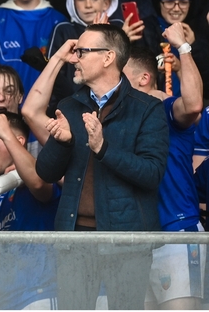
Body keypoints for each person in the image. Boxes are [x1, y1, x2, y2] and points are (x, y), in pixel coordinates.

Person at [35, 23, 169, 309]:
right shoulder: (70, 105)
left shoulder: (147, 108)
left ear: (108, 58)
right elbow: (45, 173)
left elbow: (152, 173)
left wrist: (102, 148)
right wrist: (63, 142)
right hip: (74, 239)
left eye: (83, 51)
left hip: (127, 240)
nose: (75, 58)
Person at [122, 39, 205, 310]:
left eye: (120, 78)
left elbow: (193, 105)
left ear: (144, 78)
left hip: (177, 232)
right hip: (137, 242)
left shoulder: (168, 109)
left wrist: (183, 46)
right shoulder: (114, 120)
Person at [0, 112, 60, 310]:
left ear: (19, 141)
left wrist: (7, 136)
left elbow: (40, 185)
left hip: (37, 293)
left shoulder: (37, 175)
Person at [46, 0, 124, 105]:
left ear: (106, 3)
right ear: (72, 1)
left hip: (113, 104)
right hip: (69, 103)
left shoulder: (119, 28)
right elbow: (53, 73)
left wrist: (118, 37)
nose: (88, 5)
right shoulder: (63, 30)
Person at [137, 0, 209, 98]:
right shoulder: (145, 28)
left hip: (189, 107)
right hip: (154, 104)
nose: (176, 8)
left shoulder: (198, 30)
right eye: (169, 1)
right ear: (159, 2)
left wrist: (194, 45)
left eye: (183, 2)